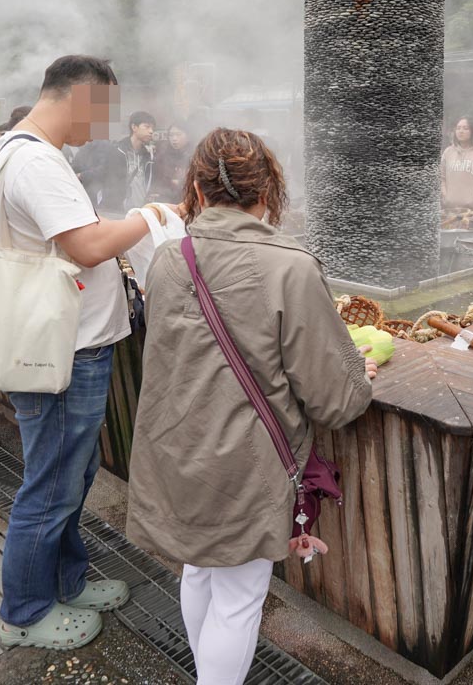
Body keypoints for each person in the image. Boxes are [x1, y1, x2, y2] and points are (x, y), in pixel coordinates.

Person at [128, 128, 374, 684]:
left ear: (197, 189)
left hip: (174, 450)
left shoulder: (168, 259)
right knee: (239, 599)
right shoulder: (290, 265)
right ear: (268, 191)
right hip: (244, 467)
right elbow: (336, 400)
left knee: (197, 571)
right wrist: (359, 374)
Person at [0, 56, 159, 651]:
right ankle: (25, 611)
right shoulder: (37, 161)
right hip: (65, 350)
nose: (106, 124)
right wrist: (151, 217)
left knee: (71, 475)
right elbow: (87, 247)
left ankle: (67, 581)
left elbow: (71, 233)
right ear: (81, 96)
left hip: (67, 344)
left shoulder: (23, 149)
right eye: (105, 109)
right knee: (52, 486)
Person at [73, 110, 156, 213]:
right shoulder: (117, 150)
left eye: (152, 128)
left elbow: (150, 181)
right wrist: (81, 176)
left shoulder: (149, 155)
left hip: (140, 210)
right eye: (147, 127)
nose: (151, 131)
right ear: (134, 127)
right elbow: (102, 171)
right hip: (117, 210)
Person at [151, 121, 192, 203]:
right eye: (171, 135)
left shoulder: (195, 155)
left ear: (188, 136)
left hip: (188, 201)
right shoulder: (162, 157)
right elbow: (157, 182)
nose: (174, 139)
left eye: (178, 134)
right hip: (166, 201)